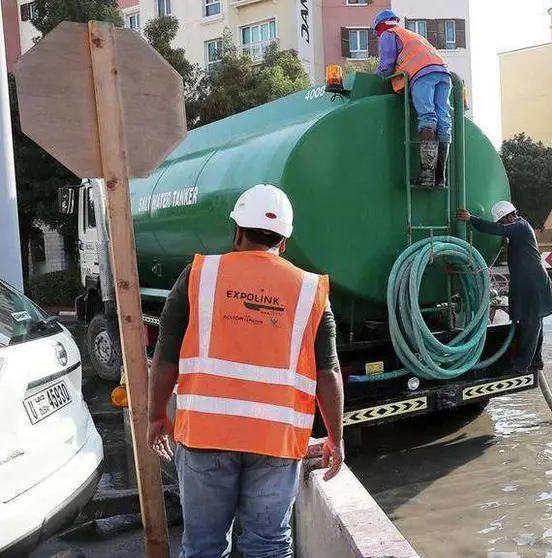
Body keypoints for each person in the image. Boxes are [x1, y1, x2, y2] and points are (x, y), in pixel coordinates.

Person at [146, 184, 345, 558]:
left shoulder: (198, 276)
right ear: (283, 242)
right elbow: (328, 374)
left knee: (203, 546)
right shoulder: (309, 290)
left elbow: (165, 357)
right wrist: (335, 437)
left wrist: (156, 414)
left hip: (206, 434)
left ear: (237, 232)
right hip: (276, 439)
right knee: (267, 545)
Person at [455, 202, 552, 372]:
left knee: (530, 324)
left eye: (502, 221)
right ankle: (535, 361)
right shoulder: (519, 228)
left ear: (509, 216)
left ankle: (522, 364)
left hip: (534, 285)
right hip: (528, 284)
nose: (502, 225)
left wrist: (471, 219)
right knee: (532, 322)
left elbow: (500, 230)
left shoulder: (520, 227)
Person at [373, 9, 452, 189]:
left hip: (421, 74)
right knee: (444, 123)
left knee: (427, 118)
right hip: (444, 74)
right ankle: (441, 178)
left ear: (379, 26)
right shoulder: (412, 35)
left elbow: (386, 66)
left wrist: (376, 80)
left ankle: (426, 175)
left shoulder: (388, 33)